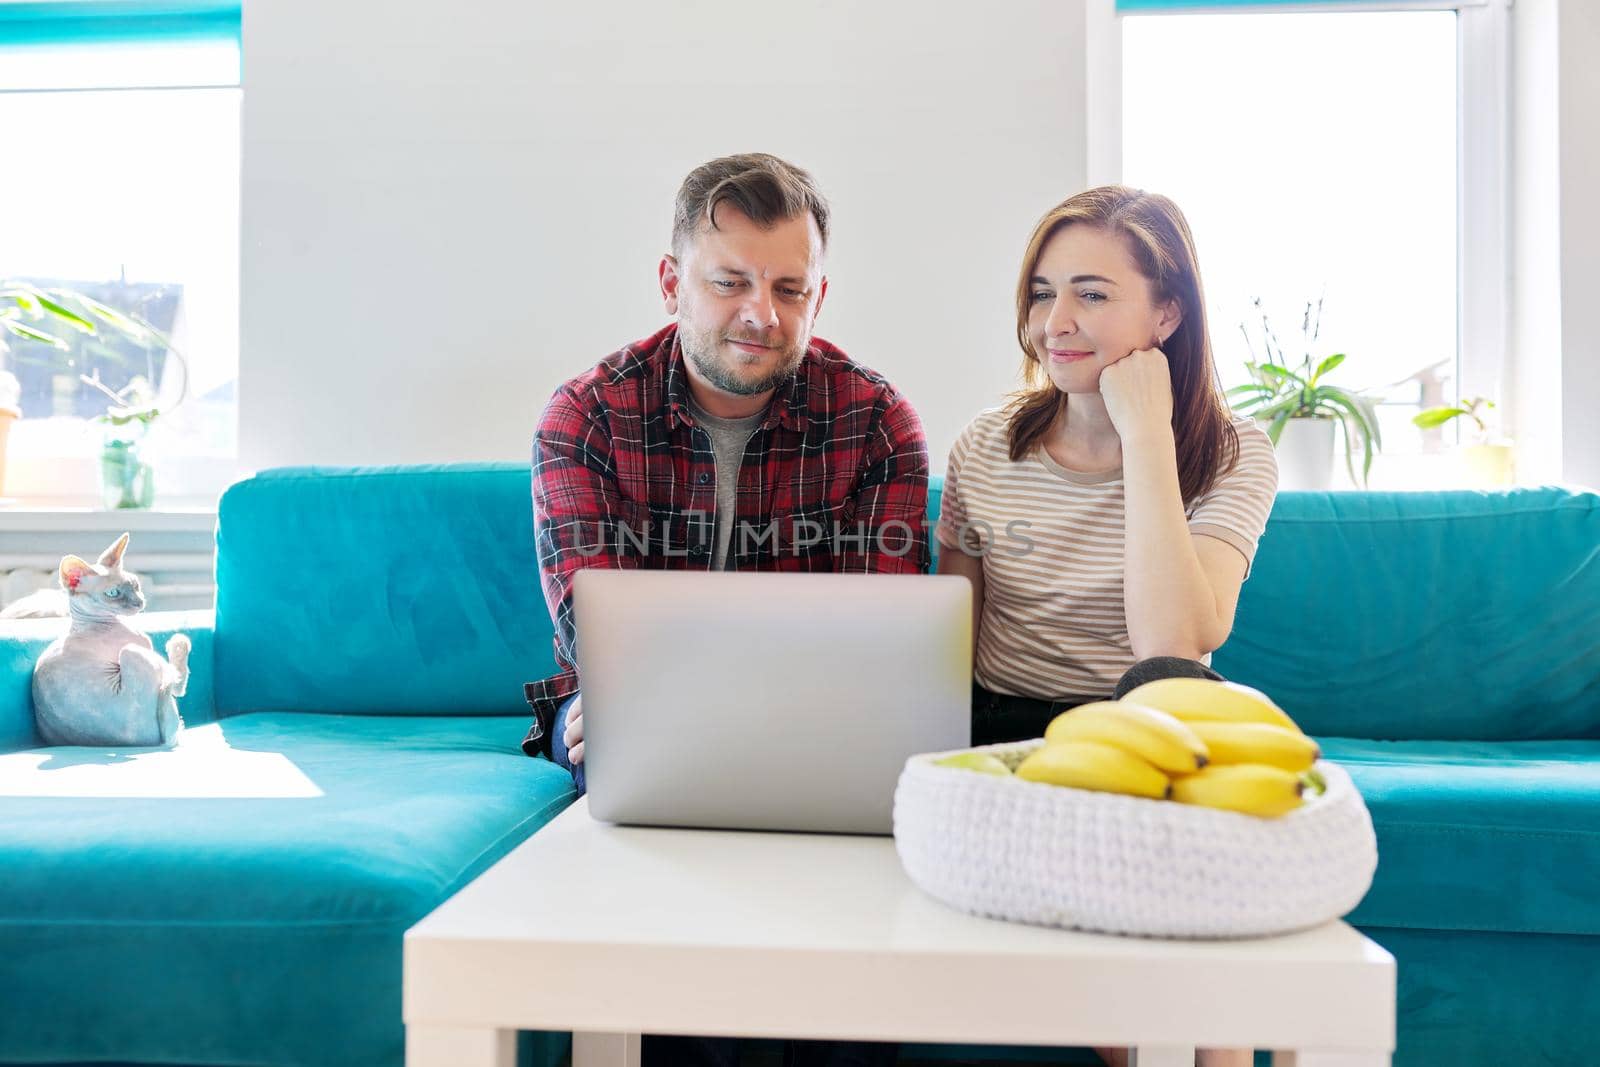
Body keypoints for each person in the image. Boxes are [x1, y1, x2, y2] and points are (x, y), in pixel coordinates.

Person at [520, 153, 926, 1067]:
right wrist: (621, 704)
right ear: (673, 283)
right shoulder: (585, 415)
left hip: (826, 727)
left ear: (821, 294)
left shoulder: (876, 419)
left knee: (866, 826)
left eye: (790, 287)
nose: (763, 313)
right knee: (621, 755)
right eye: (731, 281)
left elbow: (888, 642)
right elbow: (597, 632)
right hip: (638, 716)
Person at [935, 186, 1279, 1067]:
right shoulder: (985, 445)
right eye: (1043, 292)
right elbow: (944, 639)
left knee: (1173, 696)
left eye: (1092, 293)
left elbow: (1173, 641)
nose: (1057, 320)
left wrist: (1147, 434)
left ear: (1166, 312)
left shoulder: (1235, 451)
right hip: (1010, 726)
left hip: (1155, 721)